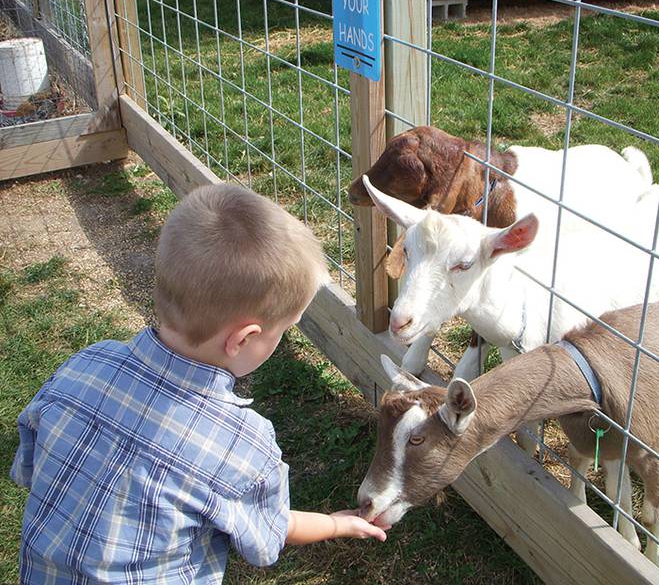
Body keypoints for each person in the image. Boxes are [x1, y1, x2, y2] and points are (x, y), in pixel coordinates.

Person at [10, 183, 386, 584]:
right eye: (284, 331)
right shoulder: (242, 444)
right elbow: (267, 535)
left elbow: (30, 468)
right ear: (243, 339)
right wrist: (334, 523)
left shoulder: (83, 366)